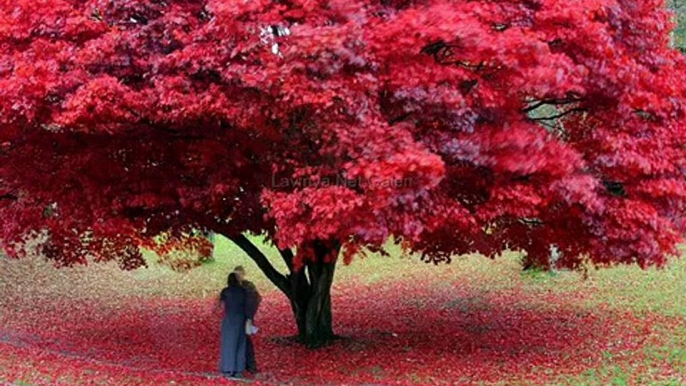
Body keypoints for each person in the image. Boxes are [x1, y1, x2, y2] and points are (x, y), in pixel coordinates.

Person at [218, 272, 254, 378]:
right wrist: (249, 318)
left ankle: (228, 368)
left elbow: (220, 305)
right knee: (240, 344)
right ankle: (238, 369)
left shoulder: (225, 292)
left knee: (228, 344)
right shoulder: (243, 292)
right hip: (240, 318)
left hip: (229, 319)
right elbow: (248, 306)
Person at [234, 265, 261, 373]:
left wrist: (249, 317)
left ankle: (250, 365)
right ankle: (244, 364)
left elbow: (254, 300)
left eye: (239, 274)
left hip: (246, 317)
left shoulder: (248, 286)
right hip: (238, 317)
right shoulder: (236, 287)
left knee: (246, 341)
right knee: (239, 341)